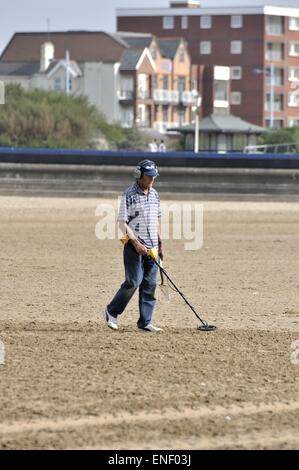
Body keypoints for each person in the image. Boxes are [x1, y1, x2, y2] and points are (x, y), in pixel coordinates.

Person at [104, 160, 163, 333]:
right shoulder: (128, 194)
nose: (152, 180)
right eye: (149, 176)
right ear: (139, 175)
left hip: (152, 248)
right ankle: (111, 311)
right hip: (134, 248)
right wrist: (136, 243)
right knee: (133, 282)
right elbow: (122, 223)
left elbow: (156, 220)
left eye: (154, 176)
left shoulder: (155, 194)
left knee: (150, 285)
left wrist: (160, 244)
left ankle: (145, 322)